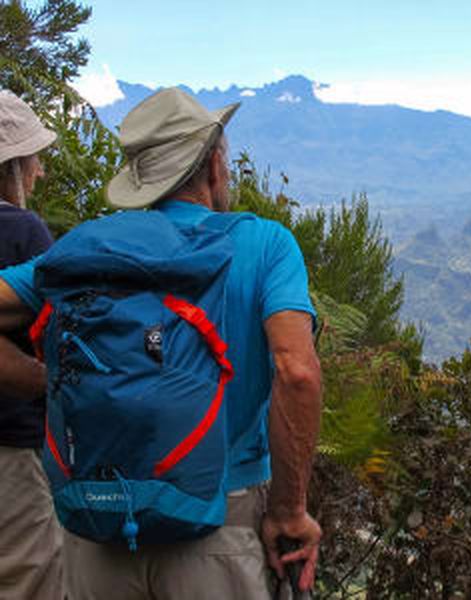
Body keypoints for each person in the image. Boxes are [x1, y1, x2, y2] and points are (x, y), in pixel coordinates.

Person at [0, 87, 323, 599]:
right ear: (215, 165)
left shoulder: (91, 249)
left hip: (99, 529)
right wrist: (289, 510)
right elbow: (297, 372)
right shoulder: (265, 244)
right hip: (221, 521)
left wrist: (47, 380)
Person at [0, 90, 63, 600]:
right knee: (30, 576)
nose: (39, 172)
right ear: (12, 167)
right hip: (13, 447)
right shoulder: (21, 231)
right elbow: (63, 324)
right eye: (33, 158)